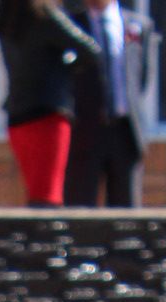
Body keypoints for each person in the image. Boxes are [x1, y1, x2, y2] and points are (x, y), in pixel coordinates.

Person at [0, 0, 102, 207]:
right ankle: (45, 239)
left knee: (35, 192)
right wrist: (65, 64)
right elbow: (91, 50)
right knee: (48, 196)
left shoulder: (6, 18)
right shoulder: (45, 16)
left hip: (17, 117)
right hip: (47, 116)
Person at [65, 0, 155, 207]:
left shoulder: (139, 26)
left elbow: (141, 77)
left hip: (125, 131)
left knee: (127, 217)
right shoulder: (71, 24)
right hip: (84, 132)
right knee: (80, 210)